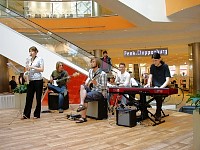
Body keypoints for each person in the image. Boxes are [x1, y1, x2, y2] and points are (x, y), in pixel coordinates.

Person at [76, 57, 107, 123]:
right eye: (91, 62)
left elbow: (104, 87)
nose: (91, 63)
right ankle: (81, 104)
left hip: (100, 92)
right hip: (92, 90)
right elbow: (89, 79)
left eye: (93, 62)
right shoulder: (90, 71)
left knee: (85, 96)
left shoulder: (103, 74)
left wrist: (96, 84)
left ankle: (83, 117)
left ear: (97, 63)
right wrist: (87, 83)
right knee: (82, 86)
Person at [144, 52, 171, 121]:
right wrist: (148, 83)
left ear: (159, 59)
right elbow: (150, 76)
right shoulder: (152, 66)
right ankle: (144, 112)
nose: (154, 62)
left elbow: (168, 80)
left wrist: (161, 88)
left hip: (163, 87)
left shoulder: (165, 66)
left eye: (155, 60)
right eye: (153, 60)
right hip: (155, 87)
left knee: (158, 96)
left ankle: (158, 113)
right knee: (143, 93)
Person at [22, 46, 44, 120]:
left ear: (36, 52)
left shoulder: (40, 59)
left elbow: (42, 69)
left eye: (32, 51)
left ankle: (37, 114)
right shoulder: (28, 59)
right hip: (30, 80)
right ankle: (26, 114)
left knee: (38, 98)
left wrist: (33, 67)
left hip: (38, 80)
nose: (30, 53)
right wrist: (25, 74)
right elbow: (26, 69)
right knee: (28, 97)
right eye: (30, 51)